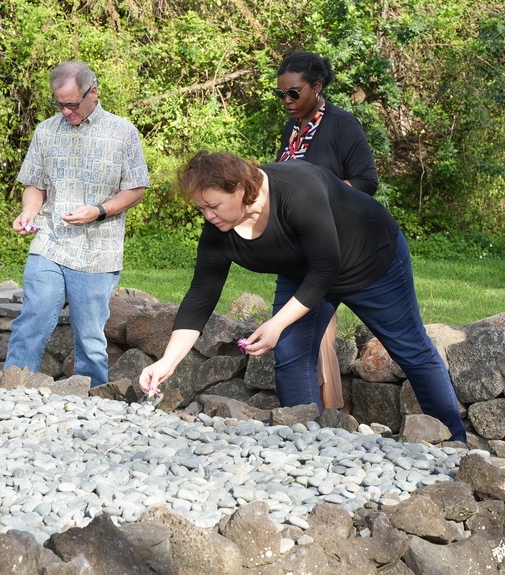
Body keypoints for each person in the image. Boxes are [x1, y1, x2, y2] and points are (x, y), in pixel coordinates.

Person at [140, 151, 466, 442]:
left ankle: (454, 442)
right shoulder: (218, 231)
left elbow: (327, 268)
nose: (208, 216)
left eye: (213, 206)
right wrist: (168, 361)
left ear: (239, 189)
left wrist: (277, 323)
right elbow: (200, 296)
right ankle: (309, 446)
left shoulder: (297, 189)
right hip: (304, 273)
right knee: (292, 358)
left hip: (371, 261)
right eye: (202, 209)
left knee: (411, 349)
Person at [4, 60, 150, 387]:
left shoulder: (123, 132)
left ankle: (95, 400)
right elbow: (35, 184)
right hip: (50, 241)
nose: (65, 111)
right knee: (34, 316)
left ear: (93, 92)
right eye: (59, 104)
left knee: (89, 336)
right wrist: (29, 212)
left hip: (99, 250)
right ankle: (10, 390)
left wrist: (99, 210)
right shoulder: (46, 131)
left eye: (71, 104)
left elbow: (136, 188)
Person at [274, 51, 379, 410]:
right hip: (294, 251)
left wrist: (321, 199)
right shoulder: (292, 127)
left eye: (293, 93)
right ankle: (307, 423)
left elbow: (367, 182)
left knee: (316, 341)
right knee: (298, 343)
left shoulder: (342, 125)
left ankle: (328, 416)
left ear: (317, 87)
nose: (286, 101)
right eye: (281, 94)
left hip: (334, 248)